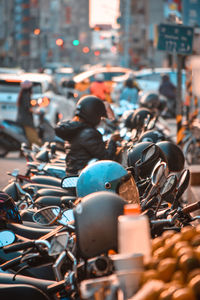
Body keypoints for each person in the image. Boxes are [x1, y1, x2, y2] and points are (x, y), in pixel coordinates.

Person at [55, 95, 120, 175]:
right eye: (99, 117)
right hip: (84, 177)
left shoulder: (77, 129)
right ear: (93, 115)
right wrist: (112, 140)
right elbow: (107, 158)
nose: (100, 120)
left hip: (74, 173)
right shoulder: (88, 133)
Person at [16, 80, 42, 148]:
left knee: (25, 137)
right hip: (26, 121)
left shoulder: (22, 94)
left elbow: (28, 105)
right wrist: (37, 112)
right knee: (33, 138)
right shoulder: (26, 95)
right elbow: (28, 108)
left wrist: (35, 104)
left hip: (21, 119)